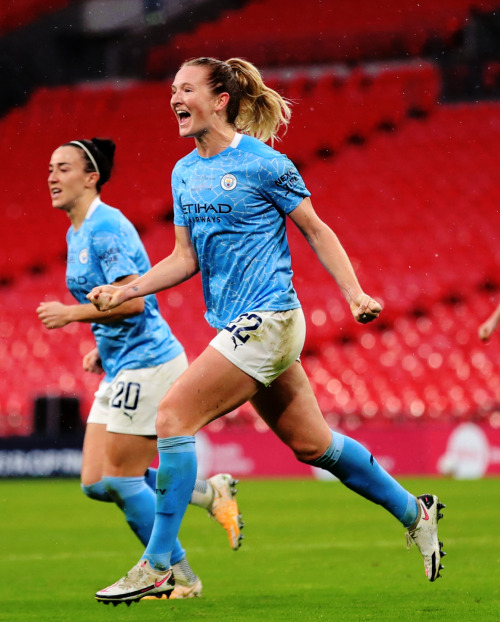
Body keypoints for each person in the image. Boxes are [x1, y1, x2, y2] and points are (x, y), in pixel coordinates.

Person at [88, 57, 446, 605]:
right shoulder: (183, 172)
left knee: (172, 416)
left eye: (186, 89)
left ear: (221, 99)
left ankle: (159, 564)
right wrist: (128, 289)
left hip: (271, 317)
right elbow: (184, 259)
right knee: (314, 445)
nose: (174, 100)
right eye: (172, 91)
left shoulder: (263, 163)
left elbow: (316, 229)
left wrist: (353, 292)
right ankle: (413, 511)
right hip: (238, 325)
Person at [37, 136, 243, 600]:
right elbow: (110, 303)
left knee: (122, 479)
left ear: (92, 177)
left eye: (63, 168)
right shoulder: (77, 231)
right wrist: (100, 346)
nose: (52, 177)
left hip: (148, 363)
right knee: (95, 482)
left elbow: (133, 302)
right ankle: (208, 494)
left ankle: (180, 577)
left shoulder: (105, 229)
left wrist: (71, 316)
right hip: (120, 362)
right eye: (50, 168)